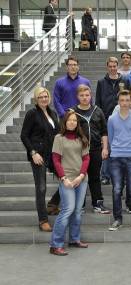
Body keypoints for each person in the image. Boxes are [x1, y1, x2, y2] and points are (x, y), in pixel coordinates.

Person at [49, 110, 90, 256]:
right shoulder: (59, 138)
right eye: (69, 120)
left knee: (77, 211)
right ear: (65, 122)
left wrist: (81, 176)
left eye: (75, 120)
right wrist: (63, 178)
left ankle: (74, 239)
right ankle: (55, 244)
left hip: (81, 179)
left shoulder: (82, 138)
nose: (72, 122)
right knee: (68, 210)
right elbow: (56, 160)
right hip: (66, 180)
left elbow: (86, 159)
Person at [20, 86, 60, 232]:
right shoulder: (32, 113)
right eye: (41, 97)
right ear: (36, 99)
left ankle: (53, 204)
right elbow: (24, 135)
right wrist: (33, 152)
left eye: (46, 96)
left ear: (49, 98)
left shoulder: (53, 113)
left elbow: (58, 133)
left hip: (52, 153)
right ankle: (43, 220)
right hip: (38, 155)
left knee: (66, 179)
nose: (44, 99)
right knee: (41, 187)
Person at [107, 90, 131, 231]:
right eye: (122, 100)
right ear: (119, 102)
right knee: (117, 189)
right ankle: (118, 219)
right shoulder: (112, 119)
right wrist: (116, 150)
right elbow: (110, 138)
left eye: (127, 100)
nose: (124, 103)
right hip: (116, 158)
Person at [72, 85, 110, 214]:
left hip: (95, 150)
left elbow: (104, 131)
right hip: (78, 151)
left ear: (91, 96)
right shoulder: (72, 113)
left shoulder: (98, 111)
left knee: (94, 177)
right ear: (77, 97)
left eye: (87, 95)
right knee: (79, 177)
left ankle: (98, 204)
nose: (84, 98)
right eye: (82, 95)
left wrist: (105, 148)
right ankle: (80, 205)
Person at [95, 56, 130, 185]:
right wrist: (99, 118)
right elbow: (97, 102)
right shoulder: (101, 82)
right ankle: (105, 175)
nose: (112, 68)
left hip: (123, 119)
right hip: (106, 119)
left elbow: (129, 98)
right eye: (110, 66)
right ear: (107, 67)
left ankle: (121, 174)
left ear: (117, 66)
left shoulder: (125, 80)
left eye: (114, 66)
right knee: (106, 147)